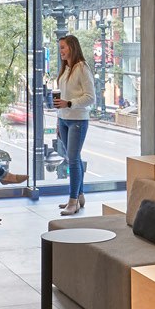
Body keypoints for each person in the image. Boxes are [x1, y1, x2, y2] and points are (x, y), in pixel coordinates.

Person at [53, 34, 95, 216]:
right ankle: (79, 196)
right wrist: (58, 118)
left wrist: (69, 104)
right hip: (64, 119)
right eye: (60, 47)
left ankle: (73, 201)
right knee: (73, 158)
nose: (60, 51)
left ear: (72, 47)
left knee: (73, 159)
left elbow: (90, 97)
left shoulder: (82, 68)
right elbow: (61, 99)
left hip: (77, 119)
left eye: (63, 47)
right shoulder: (65, 70)